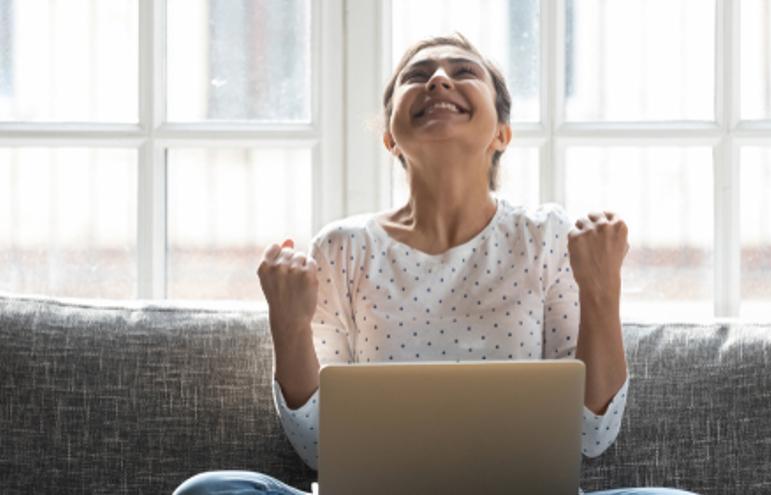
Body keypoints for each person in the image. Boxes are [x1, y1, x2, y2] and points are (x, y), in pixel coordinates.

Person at [173, 33, 699, 495]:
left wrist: (602, 290)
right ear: (389, 138)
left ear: (501, 134)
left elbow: (592, 435)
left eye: (463, 72)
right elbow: (318, 448)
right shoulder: (341, 249)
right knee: (212, 491)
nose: (440, 80)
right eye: (417, 77)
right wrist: (287, 327)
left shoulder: (547, 237)